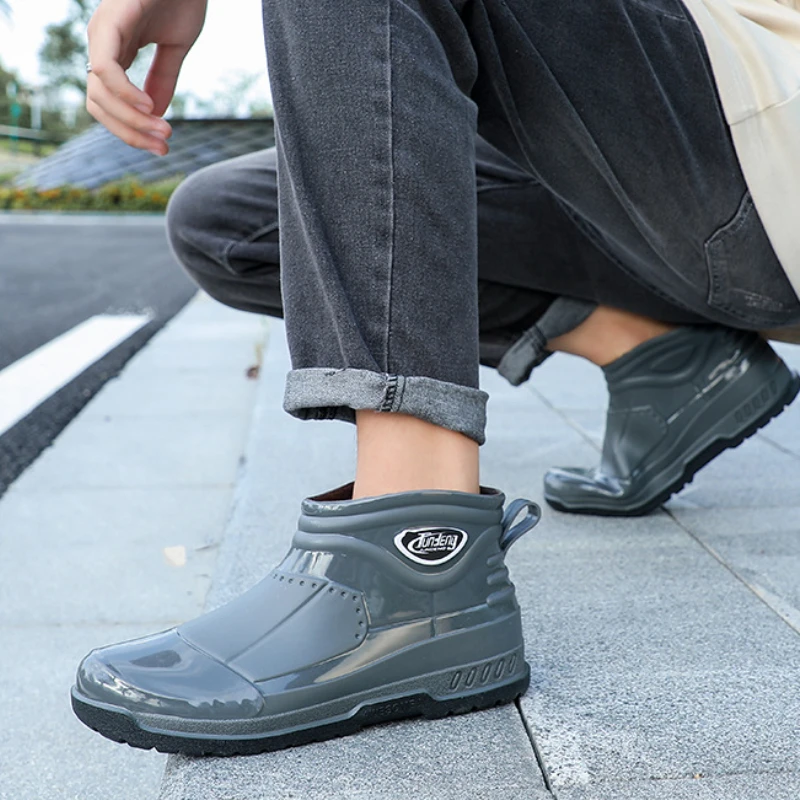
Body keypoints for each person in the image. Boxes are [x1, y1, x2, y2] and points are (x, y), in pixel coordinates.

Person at [71, 0, 800, 756]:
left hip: (771, 127)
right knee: (229, 222)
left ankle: (416, 563)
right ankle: (658, 359)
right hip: (678, 162)